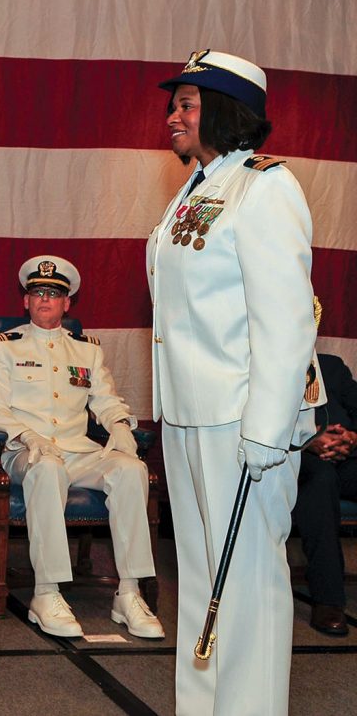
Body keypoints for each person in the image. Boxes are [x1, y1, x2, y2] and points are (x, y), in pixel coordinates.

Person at [146, 50, 322, 716]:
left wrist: (266, 430)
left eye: (186, 105)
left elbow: (284, 321)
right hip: (193, 412)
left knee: (245, 582)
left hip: (243, 420)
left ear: (224, 111)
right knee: (201, 580)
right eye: (175, 104)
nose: (173, 116)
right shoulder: (198, 187)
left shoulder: (265, 188)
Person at [0, 255, 164, 639]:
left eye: (54, 294)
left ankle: (128, 592)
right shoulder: (3, 347)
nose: (45, 300)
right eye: (37, 293)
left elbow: (106, 400)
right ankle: (46, 592)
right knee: (47, 468)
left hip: (78, 451)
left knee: (132, 470)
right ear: (25, 301)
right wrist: (28, 436)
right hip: (26, 451)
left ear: (67, 303)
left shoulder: (87, 351)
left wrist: (121, 425)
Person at [293, 352, 357, 636]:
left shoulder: (332, 366)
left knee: (331, 474)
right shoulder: (267, 365)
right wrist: (308, 440)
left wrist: (352, 439)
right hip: (297, 460)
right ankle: (328, 600)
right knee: (320, 479)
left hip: (347, 457)